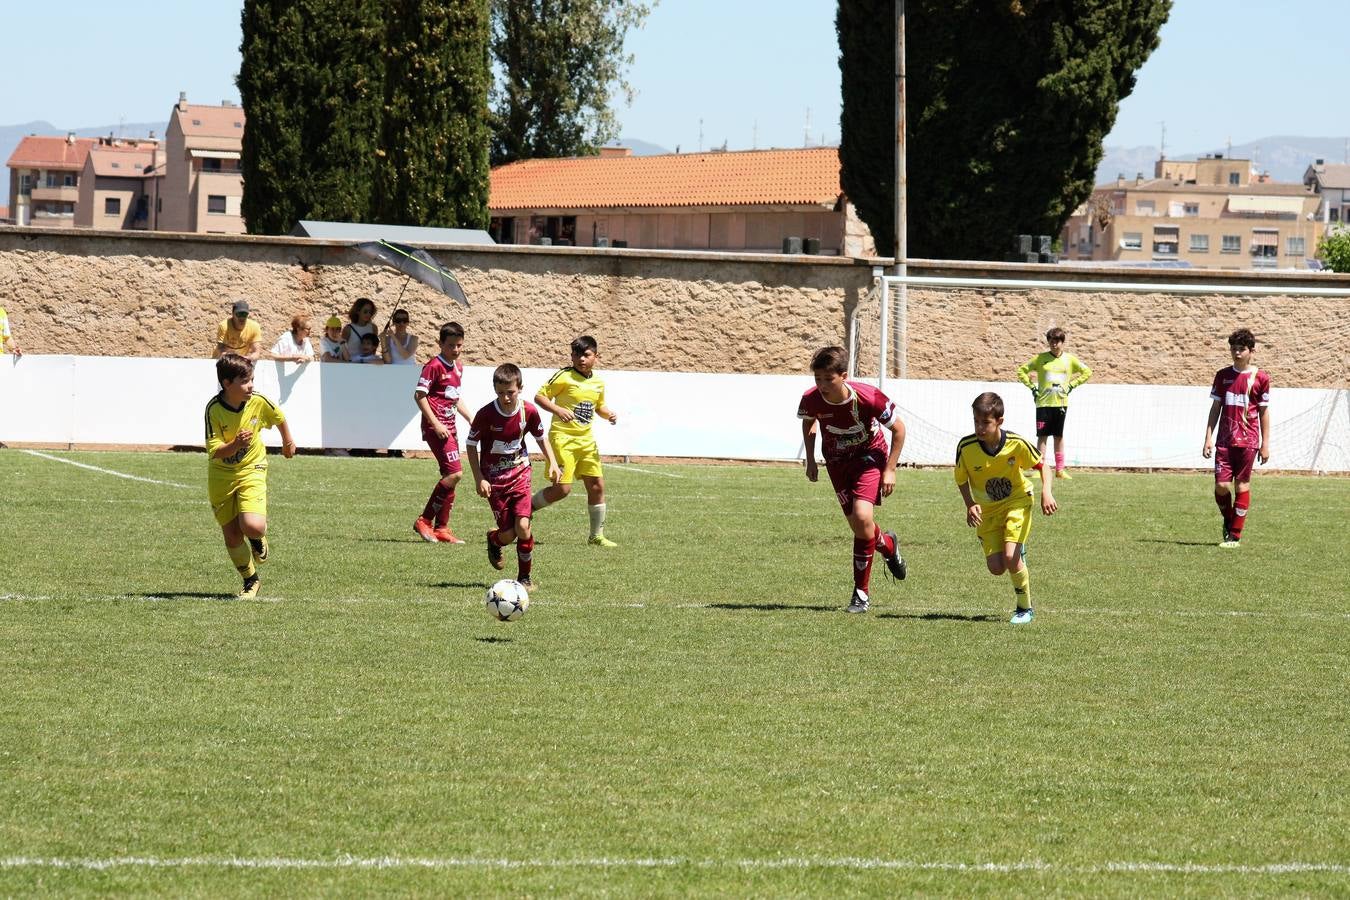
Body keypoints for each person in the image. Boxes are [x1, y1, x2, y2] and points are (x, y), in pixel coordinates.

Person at [797, 345, 908, 614]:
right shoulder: (811, 398)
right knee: (860, 526)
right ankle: (889, 546)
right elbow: (809, 423)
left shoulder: (868, 398)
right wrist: (811, 459)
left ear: (843, 375)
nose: (821, 385)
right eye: (817, 379)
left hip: (869, 457)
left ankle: (861, 595)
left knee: (861, 516)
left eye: (828, 379)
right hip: (836, 463)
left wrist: (890, 469)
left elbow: (899, 429)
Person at [954, 392, 1057, 625]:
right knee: (997, 568)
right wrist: (970, 504)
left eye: (985, 423)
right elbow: (961, 478)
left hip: (1017, 501)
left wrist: (1046, 492)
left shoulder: (1016, 443)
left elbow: (1043, 466)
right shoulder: (966, 447)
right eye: (976, 422)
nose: (979, 428)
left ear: (999, 421)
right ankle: (1016, 551)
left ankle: (1024, 608)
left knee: (1011, 558)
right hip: (987, 511)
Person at [204, 353, 296, 599]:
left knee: (252, 526)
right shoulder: (214, 410)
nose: (251, 386)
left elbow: (279, 417)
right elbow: (215, 452)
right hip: (222, 476)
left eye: (252, 380)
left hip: (252, 468)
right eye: (245, 381)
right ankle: (250, 581)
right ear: (227, 384)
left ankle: (257, 538)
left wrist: (288, 441)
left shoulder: (258, 401)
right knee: (232, 536)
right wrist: (235, 444)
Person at [467, 363, 562, 590]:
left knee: (523, 527)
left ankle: (524, 578)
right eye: (501, 393)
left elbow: (541, 438)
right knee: (508, 535)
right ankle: (494, 540)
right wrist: (479, 477)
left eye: (510, 392)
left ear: (520, 388)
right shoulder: (486, 414)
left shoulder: (528, 411)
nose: (506, 397)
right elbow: (471, 445)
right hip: (495, 481)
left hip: (520, 474)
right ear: (495, 390)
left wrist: (553, 463)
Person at [529, 336, 620, 547]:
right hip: (563, 439)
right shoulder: (564, 376)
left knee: (597, 485)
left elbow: (599, 407)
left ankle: (596, 536)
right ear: (571, 356)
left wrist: (609, 415)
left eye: (586, 355)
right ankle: (526, 510)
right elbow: (540, 397)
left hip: (586, 442)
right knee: (562, 489)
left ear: (596, 357)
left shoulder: (598, 382)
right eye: (577, 354)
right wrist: (558, 409)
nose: (581, 359)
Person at [1202, 328, 1271, 549]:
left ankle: (1234, 536)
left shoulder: (1261, 378)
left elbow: (1263, 412)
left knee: (1242, 485)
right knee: (1221, 485)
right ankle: (1229, 519)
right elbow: (1215, 408)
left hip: (1248, 441)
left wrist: (1265, 444)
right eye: (1233, 349)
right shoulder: (1222, 376)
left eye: (1241, 349)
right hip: (1224, 440)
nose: (1236, 353)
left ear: (1252, 351)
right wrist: (1208, 438)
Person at [413, 322, 473, 543]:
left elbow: (454, 398)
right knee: (455, 473)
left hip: (451, 428)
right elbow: (419, 395)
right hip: (437, 429)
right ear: (440, 344)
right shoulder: (433, 366)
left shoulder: (458, 367)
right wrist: (436, 424)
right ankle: (425, 520)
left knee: (451, 476)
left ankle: (443, 528)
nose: (455, 350)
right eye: (451, 346)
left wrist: (470, 417)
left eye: (459, 345)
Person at [1016, 327, 1092, 479]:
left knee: (1058, 436)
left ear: (1062, 342)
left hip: (1061, 404)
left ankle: (1059, 470)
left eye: (1057, 341)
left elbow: (1087, 372)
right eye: (1051, 341)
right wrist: (1032, 387)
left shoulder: (1070, 359)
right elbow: (1021, 371)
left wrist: (1071, 385)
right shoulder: (1040, 358)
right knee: (1042, 436)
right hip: (1043, 403)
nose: (1054, 344)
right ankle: (1040, 469)